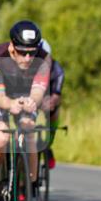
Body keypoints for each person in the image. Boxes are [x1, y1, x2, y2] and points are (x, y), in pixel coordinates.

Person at [0, 20, 50, 201]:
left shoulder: (43, 58)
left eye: (32, 52)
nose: (28, 58)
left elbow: (38, 90)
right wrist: (11, 104)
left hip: (24, 92)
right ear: (11, 47)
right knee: (1, 136)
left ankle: (31, 189)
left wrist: (31, 102)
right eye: (22, 52)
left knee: (29, 132)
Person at [38, 39, 64, 169]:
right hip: (32, 98)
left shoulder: (57, 70)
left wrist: (51, 102)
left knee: (54, 112)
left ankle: (48, 145)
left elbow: (57, 94)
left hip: (48, 97)